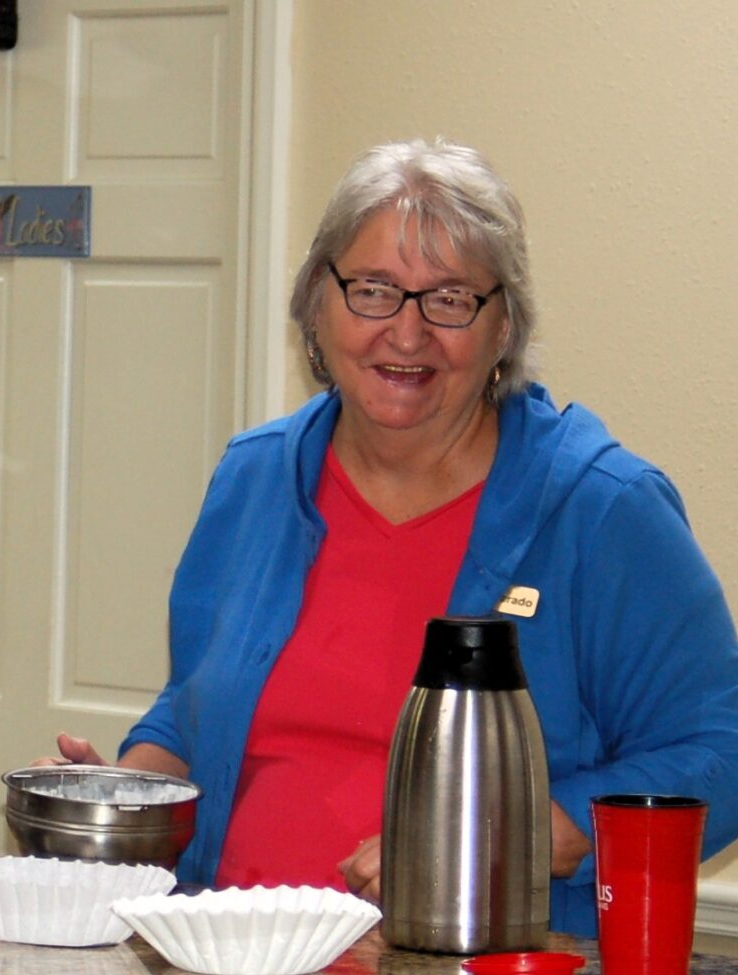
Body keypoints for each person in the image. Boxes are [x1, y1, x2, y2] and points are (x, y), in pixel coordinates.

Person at [53, 139, 738, 934]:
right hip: (225, 969)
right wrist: (119, 802)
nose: (406, 334)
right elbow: (194, 708)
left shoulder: (603, 509)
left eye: (449, 300)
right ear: (318, 303)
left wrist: (497, 836)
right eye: (373, 290)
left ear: (503, 325)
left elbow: (718, 753)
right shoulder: (254, 477)